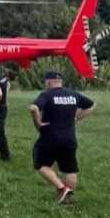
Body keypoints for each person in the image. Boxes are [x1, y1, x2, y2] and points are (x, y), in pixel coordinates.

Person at [29, 71, 96, 204]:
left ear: (48, 82)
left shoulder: (46, 95)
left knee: (42, 165)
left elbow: (33, 108)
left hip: (50, 138)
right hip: (69, 138)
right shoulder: (73, 94)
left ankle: (61, 188)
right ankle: (68, 200)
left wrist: (38, 123)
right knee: (70, 170)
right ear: (60, 82)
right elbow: (92, 104)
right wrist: (77, 117)